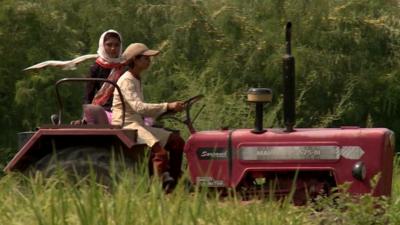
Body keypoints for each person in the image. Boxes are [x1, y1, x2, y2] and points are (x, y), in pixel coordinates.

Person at [112, 43, 185, 189]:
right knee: (161, 153)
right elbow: (139, 107)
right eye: (145, 58)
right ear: (135, 60)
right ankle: (158, 190)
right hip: (127, 124)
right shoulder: (127, 80)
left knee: (177, 141)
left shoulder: (136, 78)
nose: (149, 61)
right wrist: (167, 106)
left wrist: (171, 109)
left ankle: (176, 182)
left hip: (138, 123)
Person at [84, 29, 126, 123]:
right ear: (102, 46)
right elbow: (88, 95)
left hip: (121, 108)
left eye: (116, 45)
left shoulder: (124, 67)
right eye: (109, 45)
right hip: (102, 109)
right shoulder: (95, 67)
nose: (113, 48)